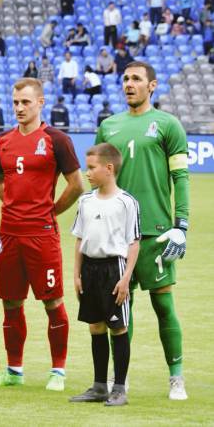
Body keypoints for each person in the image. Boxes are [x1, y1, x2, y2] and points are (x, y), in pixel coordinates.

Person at [95, 61, 190, 401]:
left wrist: (181, 225)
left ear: (152, 85)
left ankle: (176, 377)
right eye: (125, 79)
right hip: (115, 234)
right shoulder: (108, 126)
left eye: (136, 79)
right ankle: (120, 378)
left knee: (163, 305)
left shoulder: (168, 125)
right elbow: (97, 176)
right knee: (120, 307)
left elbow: (180, 177)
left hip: (156, 232)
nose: (129, 84)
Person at [0, 77, 84, 391]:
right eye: (15, 102)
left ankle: (58, 371)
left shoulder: (57, 139)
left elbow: (76, 185)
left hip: (42, 234)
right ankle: (14, 370)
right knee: (10, 302)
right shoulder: (2, 140)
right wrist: (13, 203)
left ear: (40, 103)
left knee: (52, 301)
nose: (19, 108)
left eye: (26, 102)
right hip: (8, 233)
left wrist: (50, 210)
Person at [69, 143, 140, 407]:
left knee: (118, 327)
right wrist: (76, 274)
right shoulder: (85, 201)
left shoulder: (126, 202)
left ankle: (119, 388)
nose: (87, 173)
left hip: (114, 269)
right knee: (95, 326)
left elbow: (134, 242)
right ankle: (99, 386)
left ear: (109, 168)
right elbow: (79, 238)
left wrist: (126, 277)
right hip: (89, 268)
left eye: (91, 168)